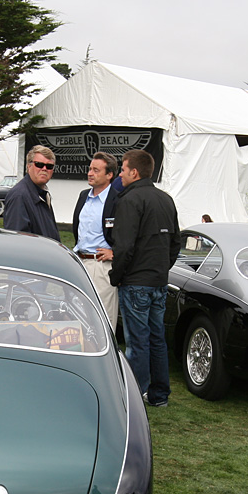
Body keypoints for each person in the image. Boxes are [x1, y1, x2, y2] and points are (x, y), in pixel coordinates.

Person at [109, 149, 180, 407]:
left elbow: (124, 246)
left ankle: (134, 401)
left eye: (123, 169)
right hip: (158, 281)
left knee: (137, 342)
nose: (120, 174)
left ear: (134, 172)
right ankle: (159, 395)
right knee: (156, 339)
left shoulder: (130, 200)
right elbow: (175, 242)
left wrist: (116, 276)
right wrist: (161, 268)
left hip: (136, 282)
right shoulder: (166, 199)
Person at [72, 152, 119, 329]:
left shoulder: (118, 200)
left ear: (109, 175)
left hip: (101, 266)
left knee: (103, 319)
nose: (90, 173)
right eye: (90, 169)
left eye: (96, 170)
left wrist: (115, 252)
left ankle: (105, 356)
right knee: (78, 315)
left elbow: (128, 234)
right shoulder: (84, 195)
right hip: (80, 263)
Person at [3, 145, 60, 241]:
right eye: (39, 164)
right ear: (29, 166)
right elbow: (17, 241)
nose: (44, 169)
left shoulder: (43, 194)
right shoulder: (19, 196)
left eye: (49, 166)